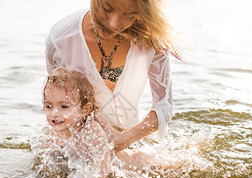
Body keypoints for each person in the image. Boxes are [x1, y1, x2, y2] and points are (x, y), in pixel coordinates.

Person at [46, 0, 179, 152]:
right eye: (107, 8)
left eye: (129, 16)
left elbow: (164, 107)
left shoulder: (152, 42)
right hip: (77, 142)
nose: (114, 23)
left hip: (131, 140)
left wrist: (126, 139)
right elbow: (55, 102)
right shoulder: (61, 39)